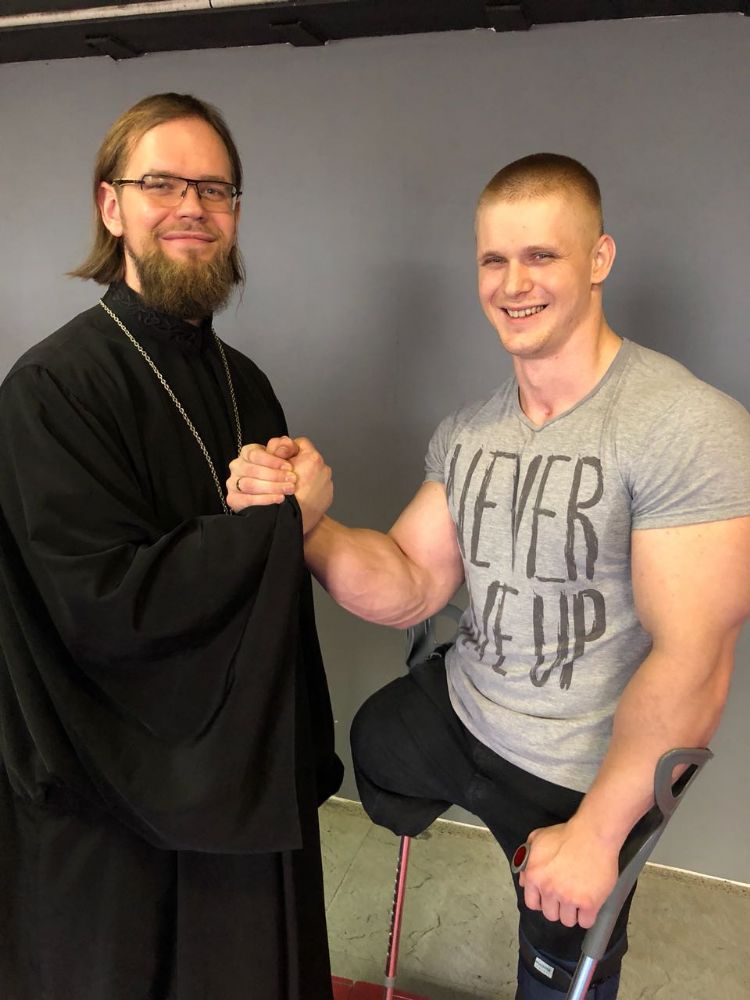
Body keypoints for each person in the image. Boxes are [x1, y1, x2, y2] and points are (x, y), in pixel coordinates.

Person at [228, 154, 750, 998]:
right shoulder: (471, 432)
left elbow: (696, 661)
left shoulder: (688, 427)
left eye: (541, 256)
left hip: (578, 769)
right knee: (369, 743)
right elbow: (410, 582)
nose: (514, 284)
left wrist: (597, 834)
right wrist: (306, 524)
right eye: (494, 260)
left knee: (561, 962)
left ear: (599, 258)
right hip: (467, 705)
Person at [0, 93, 343, 1000]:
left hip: (238, 777)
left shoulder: (248, 386)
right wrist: (283, 525)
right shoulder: (50, 389)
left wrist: (289, 506)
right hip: (107, 804)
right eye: (162, 183)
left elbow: (273, 604)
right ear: (111, 206)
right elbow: (98, 604)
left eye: (215, 189)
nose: (192, 207)